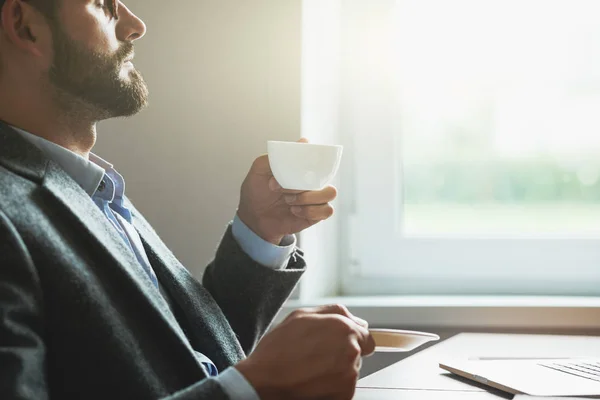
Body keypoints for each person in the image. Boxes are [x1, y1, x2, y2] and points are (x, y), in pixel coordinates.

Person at [0, 0, 376, 399]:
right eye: (104, 4)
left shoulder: (94, 188)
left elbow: (183, 358)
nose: (135, 25)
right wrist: (254, 386)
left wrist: (260, 232)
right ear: (26, 27)